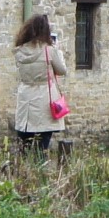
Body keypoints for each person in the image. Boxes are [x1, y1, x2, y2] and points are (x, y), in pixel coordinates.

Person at [12, 12, 68, 153]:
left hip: (25, 101)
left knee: (24, 147)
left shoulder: (19, 51)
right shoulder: (49, 51)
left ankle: (24, 173)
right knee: (41, 148)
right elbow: (62, 70)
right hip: (44, 101)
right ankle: (40, 171)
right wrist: (58, 52)